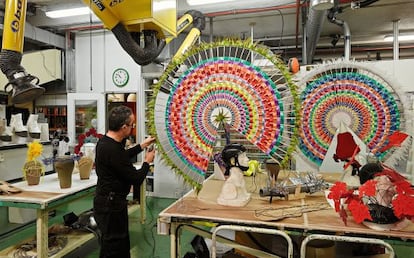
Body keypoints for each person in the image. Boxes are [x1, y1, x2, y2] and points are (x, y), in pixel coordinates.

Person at [94, 105, 155, 258]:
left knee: (114, 245)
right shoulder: (113, 149)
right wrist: (147, 162)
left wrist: (142, 146)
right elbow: (136, 178)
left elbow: (122, 156)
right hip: (111, 207)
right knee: (115, 248)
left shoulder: (106, 142)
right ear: (123, 127)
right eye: (132, 125)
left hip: (107, 203)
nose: (133, 127)